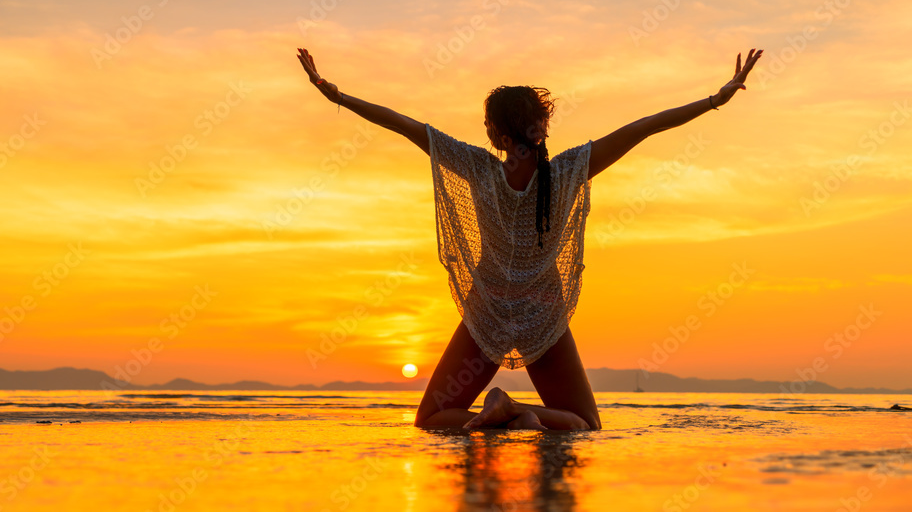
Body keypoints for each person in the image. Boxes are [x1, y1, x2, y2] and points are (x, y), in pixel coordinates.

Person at [295, 47, 764, 430]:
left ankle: (495, 414)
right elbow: (643, 127)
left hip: (490, 309)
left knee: (433, 418)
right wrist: (714, 101)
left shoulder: (477, 167)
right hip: (542, 311)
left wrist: (334, 94)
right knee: (584, 422)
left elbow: (401, 124)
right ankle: (519, 413)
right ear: (538, 130)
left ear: (498, 134)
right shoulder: (567, 171)